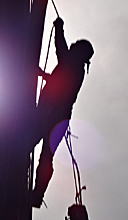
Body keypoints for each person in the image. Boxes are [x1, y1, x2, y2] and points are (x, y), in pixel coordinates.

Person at [31, 17, 94, 208]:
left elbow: (61, 50)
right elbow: (60, 84)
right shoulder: (76, 68)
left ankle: (34, 193)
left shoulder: (73, 64)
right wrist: (44, 76)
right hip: (58, 117)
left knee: (32, 148)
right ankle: (36, 195)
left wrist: (59, 28)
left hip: (51, 114)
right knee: (46, 155)